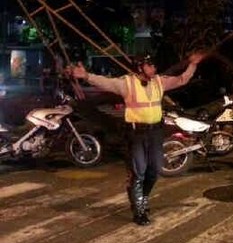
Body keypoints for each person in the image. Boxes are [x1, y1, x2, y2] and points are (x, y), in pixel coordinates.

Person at [68, 51, 206, 226]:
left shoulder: (159, 82)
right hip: (136, 134)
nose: (154, 67)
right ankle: (139, 209)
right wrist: (86, 75)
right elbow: (106, 83)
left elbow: (181, 80)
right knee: (138, 172)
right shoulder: (127, 83)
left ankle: (143, 198)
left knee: (155, 171)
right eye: (150, 65)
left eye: (154, 64)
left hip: (156, 133)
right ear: (140, 67)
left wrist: (193, 65)